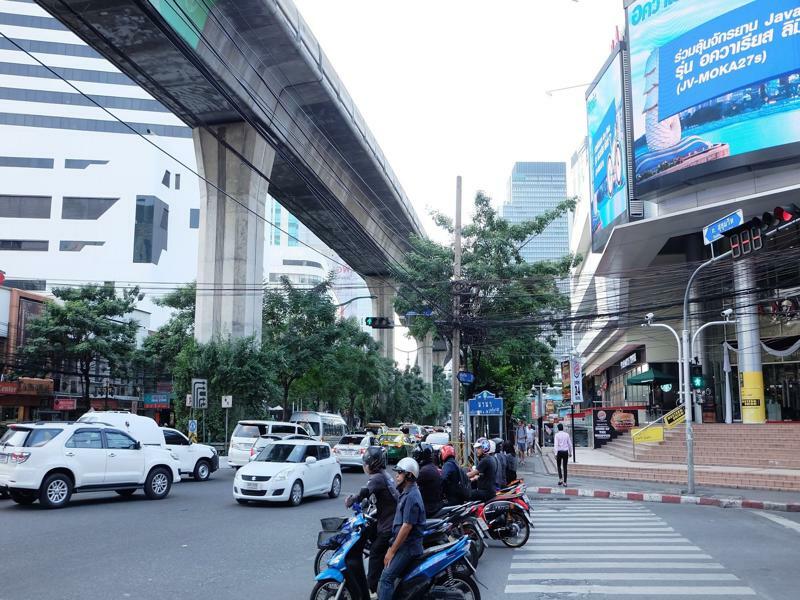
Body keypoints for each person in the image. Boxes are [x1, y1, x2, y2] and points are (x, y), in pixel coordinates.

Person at [344, 446, 399, 595]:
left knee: (375, 552)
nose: (364, 465)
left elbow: (364, 491)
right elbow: (372, 495)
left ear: (372, 464)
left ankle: (372, 589)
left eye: (366, 462)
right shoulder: (384, 475)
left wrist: (352, 500)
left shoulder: (377, 478)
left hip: (389, 525)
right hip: (388, 519)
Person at [379, 457, 426, 600]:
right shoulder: (407, 492)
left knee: (386, 579)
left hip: (409, 547)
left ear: (408, 475)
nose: (396, 476)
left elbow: (406, 527)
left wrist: (392, 551)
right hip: (405, 545)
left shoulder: (411, 496)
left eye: (399, 473)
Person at [412, 442, 443, 517]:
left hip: (428, 508)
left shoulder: (424, 471)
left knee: (409, 520)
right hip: (434, 504)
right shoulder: (430, 467)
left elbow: (410, 484)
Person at [466, 438, 496, 502]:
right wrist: (474, 478)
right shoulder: (489, 458)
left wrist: (460, 476)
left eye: (479, 448)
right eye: (477, 448)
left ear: (485, 447)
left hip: (486, 492)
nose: (477, 450)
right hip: (490, 491)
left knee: (467, 494)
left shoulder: (485, 460)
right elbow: (484, 475)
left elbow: (472, 473)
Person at [553, 423, 573, 487]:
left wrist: (555, 454)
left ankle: (560, 479)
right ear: (563, 428)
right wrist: (570, 452)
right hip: (565, 452)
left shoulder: (557, 435)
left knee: (558, 466)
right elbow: (570, 444)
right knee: (565, 467)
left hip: (559, 452)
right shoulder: (566, 435)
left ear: (558, 429)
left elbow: (556, 445)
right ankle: (565, 482)